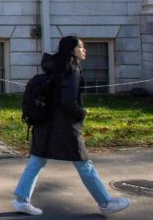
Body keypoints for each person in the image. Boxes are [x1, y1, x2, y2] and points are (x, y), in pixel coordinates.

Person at [12, 36, 130, 216]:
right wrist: (82, 113)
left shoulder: (55, 67)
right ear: (72, 50)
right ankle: (105, 202)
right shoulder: (71, 70)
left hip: (45, 123)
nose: (84, 50)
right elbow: (68, 102)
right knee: (84, 164)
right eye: (80, 47)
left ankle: (21, 200)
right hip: (64, 127)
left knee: (37, 161)